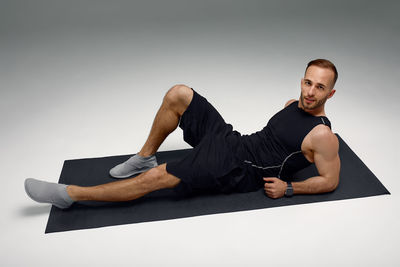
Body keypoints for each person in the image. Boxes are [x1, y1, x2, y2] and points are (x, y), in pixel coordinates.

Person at [24, 58, 341, 209]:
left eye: (320, 87)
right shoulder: (291, 103)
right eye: (307, 82)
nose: (310, 92)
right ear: (302, 80)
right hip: (234, 142)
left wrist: (289, 189)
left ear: (331, 93)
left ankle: (70, 195)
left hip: (237, 170)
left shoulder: (323, 137)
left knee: (160, 178)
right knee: (179, 93)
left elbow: (330, 181)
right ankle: (144, 156)